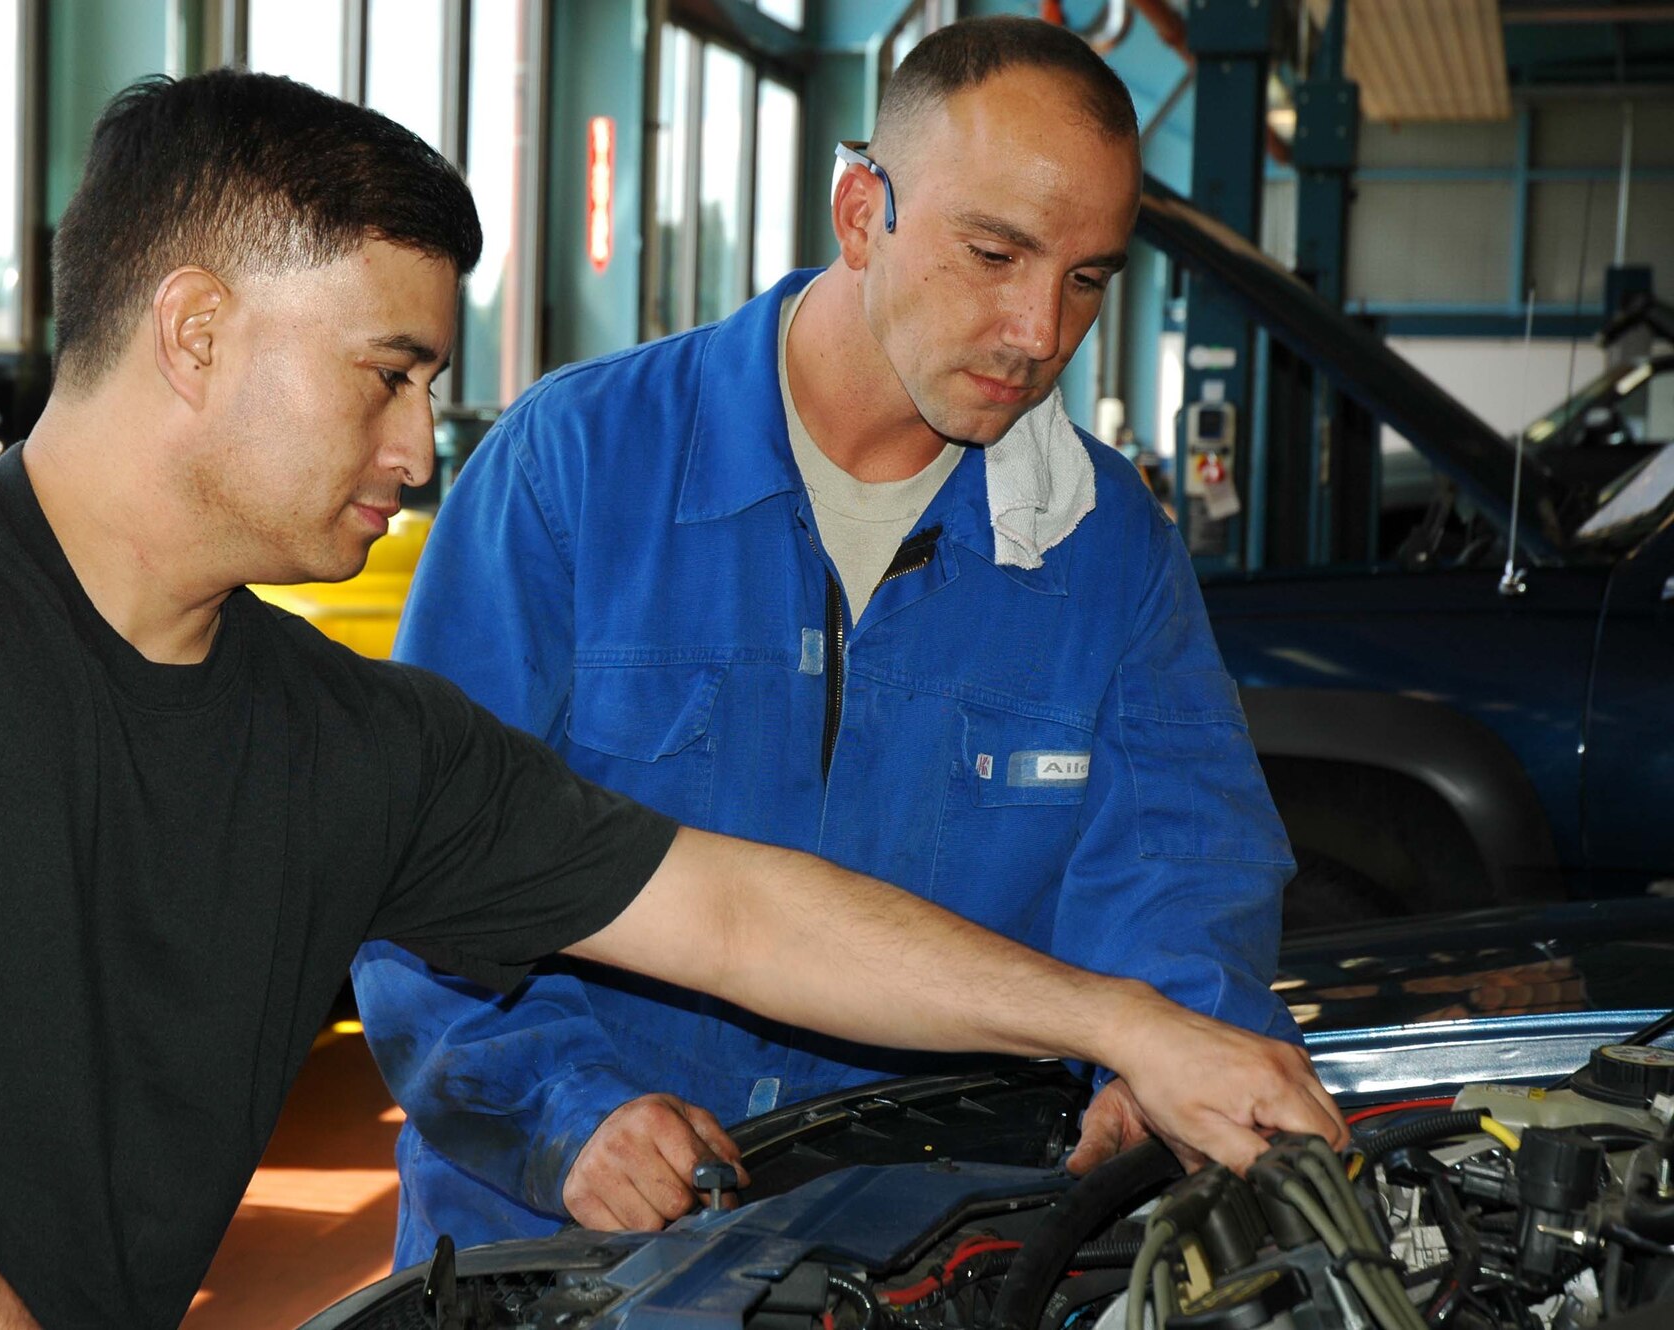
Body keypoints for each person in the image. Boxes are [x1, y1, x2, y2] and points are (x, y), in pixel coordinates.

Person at [0, 68, 1338, 1330]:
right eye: (386, 377)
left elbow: (738, 912)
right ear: (193, 331)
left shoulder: (341, 741)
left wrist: (1126, 1020)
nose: (415, 455)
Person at [353, 16, 1304, 1262]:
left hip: (917, 1248)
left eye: (1085, 278)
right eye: (992, 253)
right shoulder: (575, 470)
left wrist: (1161, 1044)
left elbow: (1183, 862)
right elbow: (423, 870)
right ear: (862, 211)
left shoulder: (1104, 546)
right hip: (552, 1244)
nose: (1038, 331)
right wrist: (567, 1112)